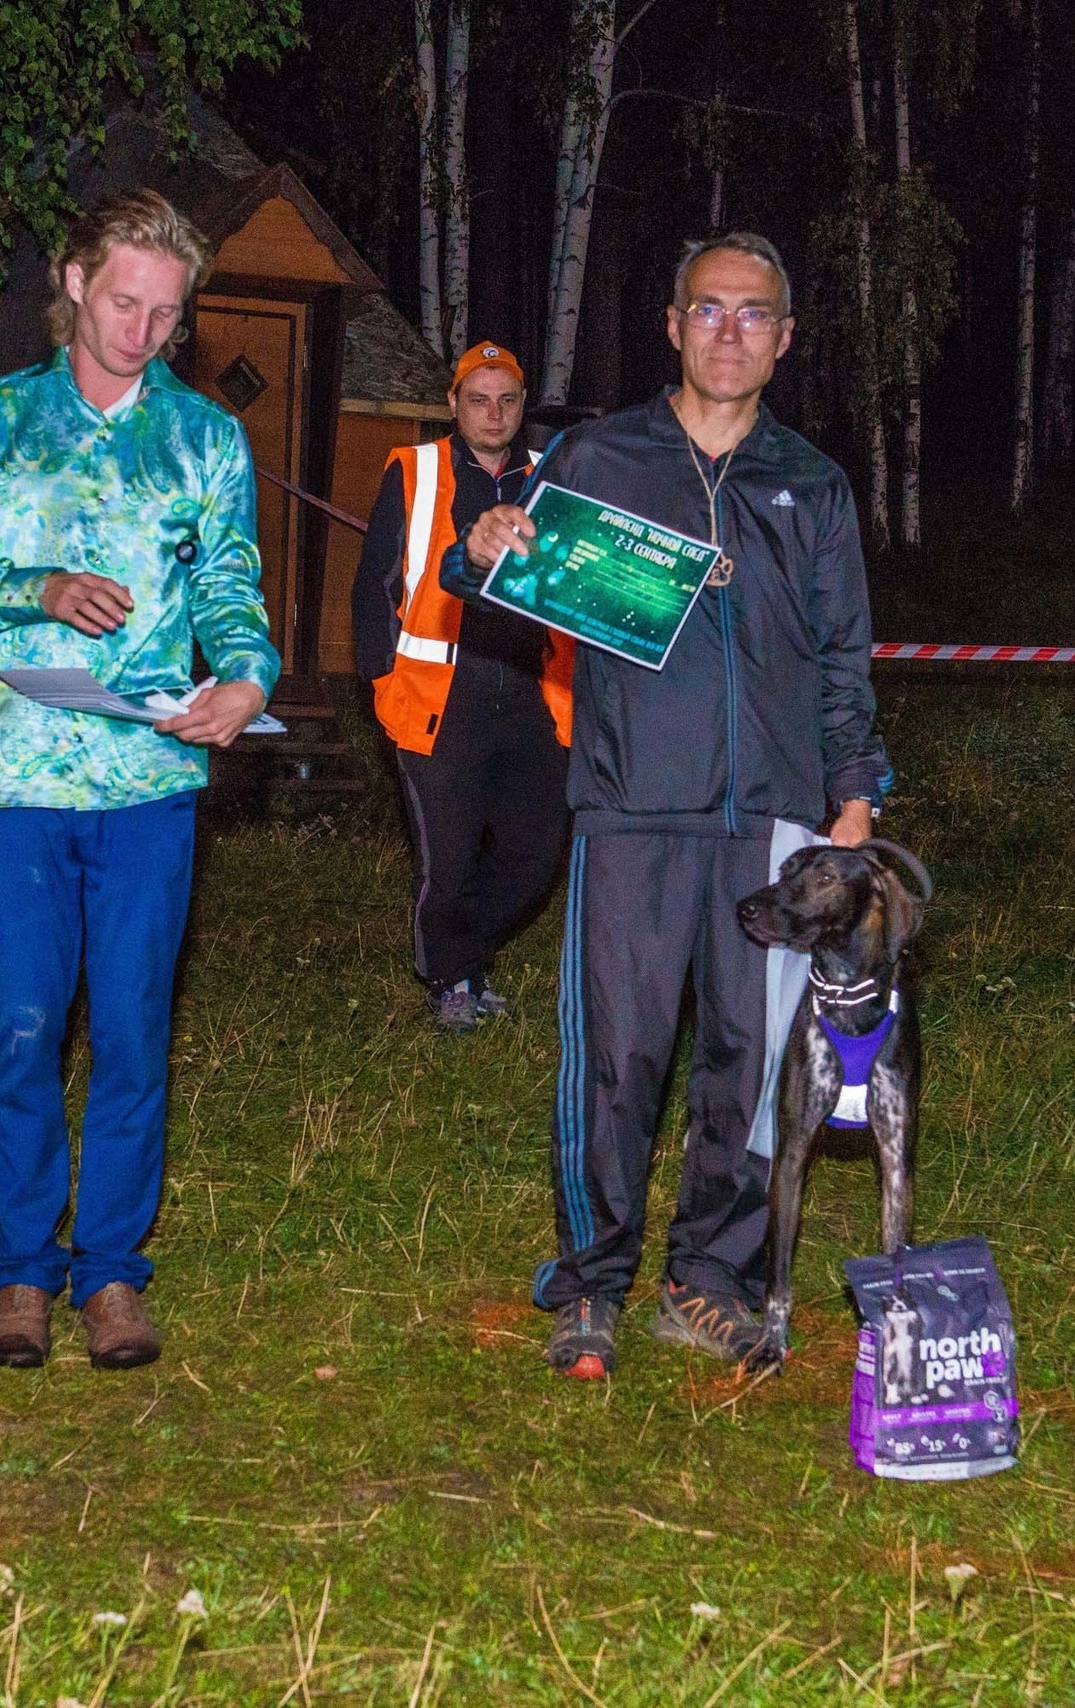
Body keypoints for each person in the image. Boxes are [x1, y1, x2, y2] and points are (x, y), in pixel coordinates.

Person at [455, 232, 894, 1377]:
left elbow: (844, 653)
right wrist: (482, 541)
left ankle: (708, 1280)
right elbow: (494, 566)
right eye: (709, 309)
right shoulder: (599, 456)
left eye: (754, 315)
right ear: (671, 322)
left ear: (785, 339)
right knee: (620, 1055)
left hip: (777, 828)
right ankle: (589, 1284)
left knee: (751, 1069)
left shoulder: (811, 482)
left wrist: (854, 792)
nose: (729, 331)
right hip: (633, 809)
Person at [0, 189, 277, 1372]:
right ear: (71, 281)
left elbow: (232, 593)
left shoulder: (206, 440)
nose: (140, 330)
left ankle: (110, 1272)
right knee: (21, 1027)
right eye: (122, 301)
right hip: (17, 781)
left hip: (151, 782)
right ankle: (20, 1271)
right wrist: (32, 588)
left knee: (136, 1033)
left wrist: (246, 682)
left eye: (165, 313)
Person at [353, 342, 574, 1034]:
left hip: (533, 695)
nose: (493, 412)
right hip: (438, 695)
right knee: (446, 858)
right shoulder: (413, 469)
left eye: (507, 399)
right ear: (453, 405)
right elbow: (374, 586)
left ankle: (466, 951)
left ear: (522, 405)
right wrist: (380, 681)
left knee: (535, 853)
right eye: (478, 399)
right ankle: (449, 976)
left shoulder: (553, 477)